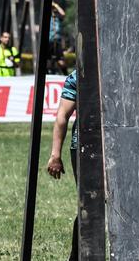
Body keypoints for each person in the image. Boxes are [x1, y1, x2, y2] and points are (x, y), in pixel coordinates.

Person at [47, 67, 80, 261]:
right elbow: (62, 117)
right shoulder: (77, 77)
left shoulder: (76, 75)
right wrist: (55, 155)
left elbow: (62, 117)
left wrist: (56, 155)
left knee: (90, 203)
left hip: (89, 146)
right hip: (85, 146)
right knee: (90, 203)